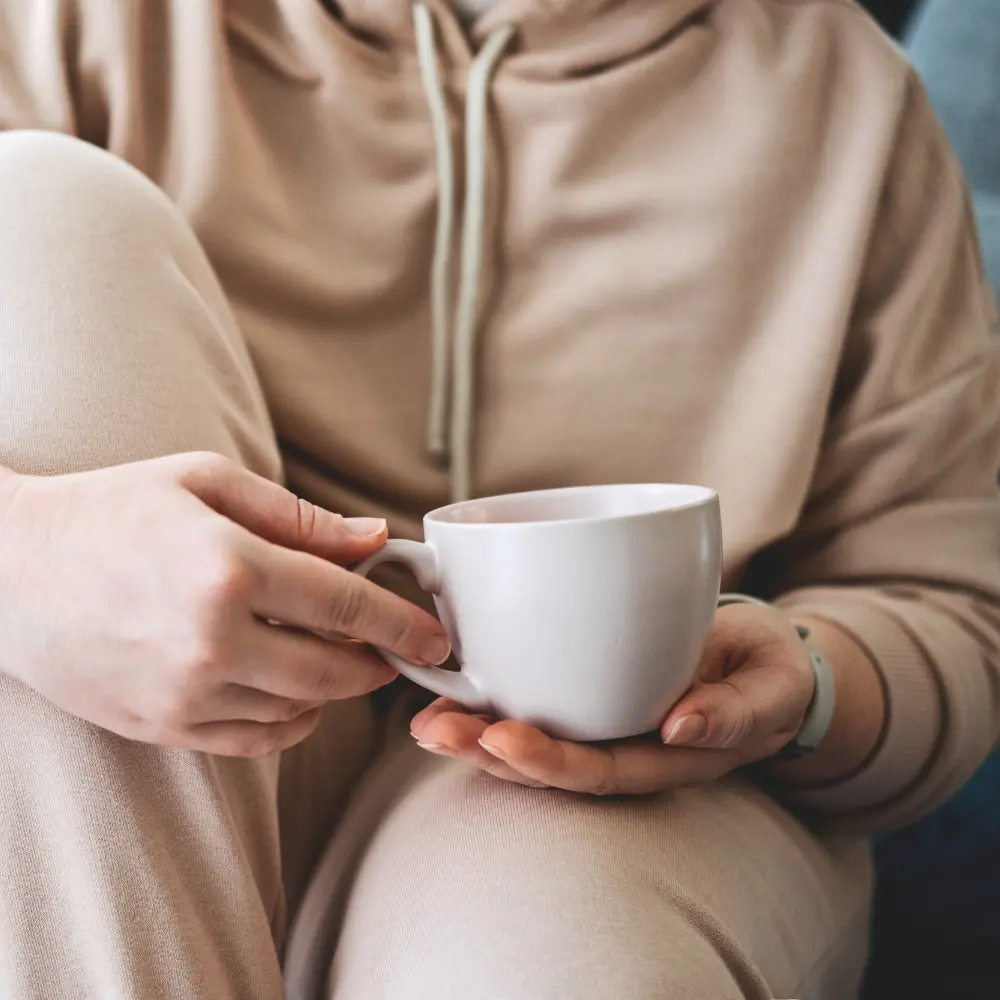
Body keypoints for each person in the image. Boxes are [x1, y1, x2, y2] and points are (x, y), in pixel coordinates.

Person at [0, 1, 997, 998]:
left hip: (628, 788)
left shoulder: (841, 93)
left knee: (548, 956)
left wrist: (807, 682)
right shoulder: (81, 25)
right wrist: (25, 555)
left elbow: (943, 599)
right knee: (34, 208)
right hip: (163, 781)